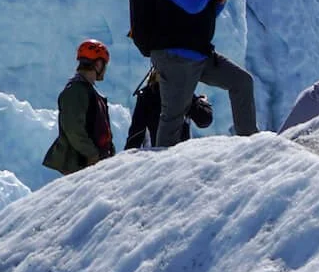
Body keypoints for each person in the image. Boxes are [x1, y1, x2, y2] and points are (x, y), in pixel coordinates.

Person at [150, 0, 257, 147]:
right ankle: (160, 174)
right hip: (176, 58)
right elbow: (193, 5)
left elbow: (199, 17)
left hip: (199, 55)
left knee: (242, 82)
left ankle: (251, 146)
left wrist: (218, 4)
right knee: (173, 119)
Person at [42, 39, 116, 175]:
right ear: (98, 64)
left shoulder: (85, 90)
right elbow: (73, 128)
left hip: (88, 163)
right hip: (81, 164)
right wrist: (92, 154)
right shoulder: (77, 91)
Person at [125, 70, 214, 150]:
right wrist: (200, 102)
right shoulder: (181, 92)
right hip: (178, 158)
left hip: (157, 159)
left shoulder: (147, 95)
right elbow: (204, 120)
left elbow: (135, 137)